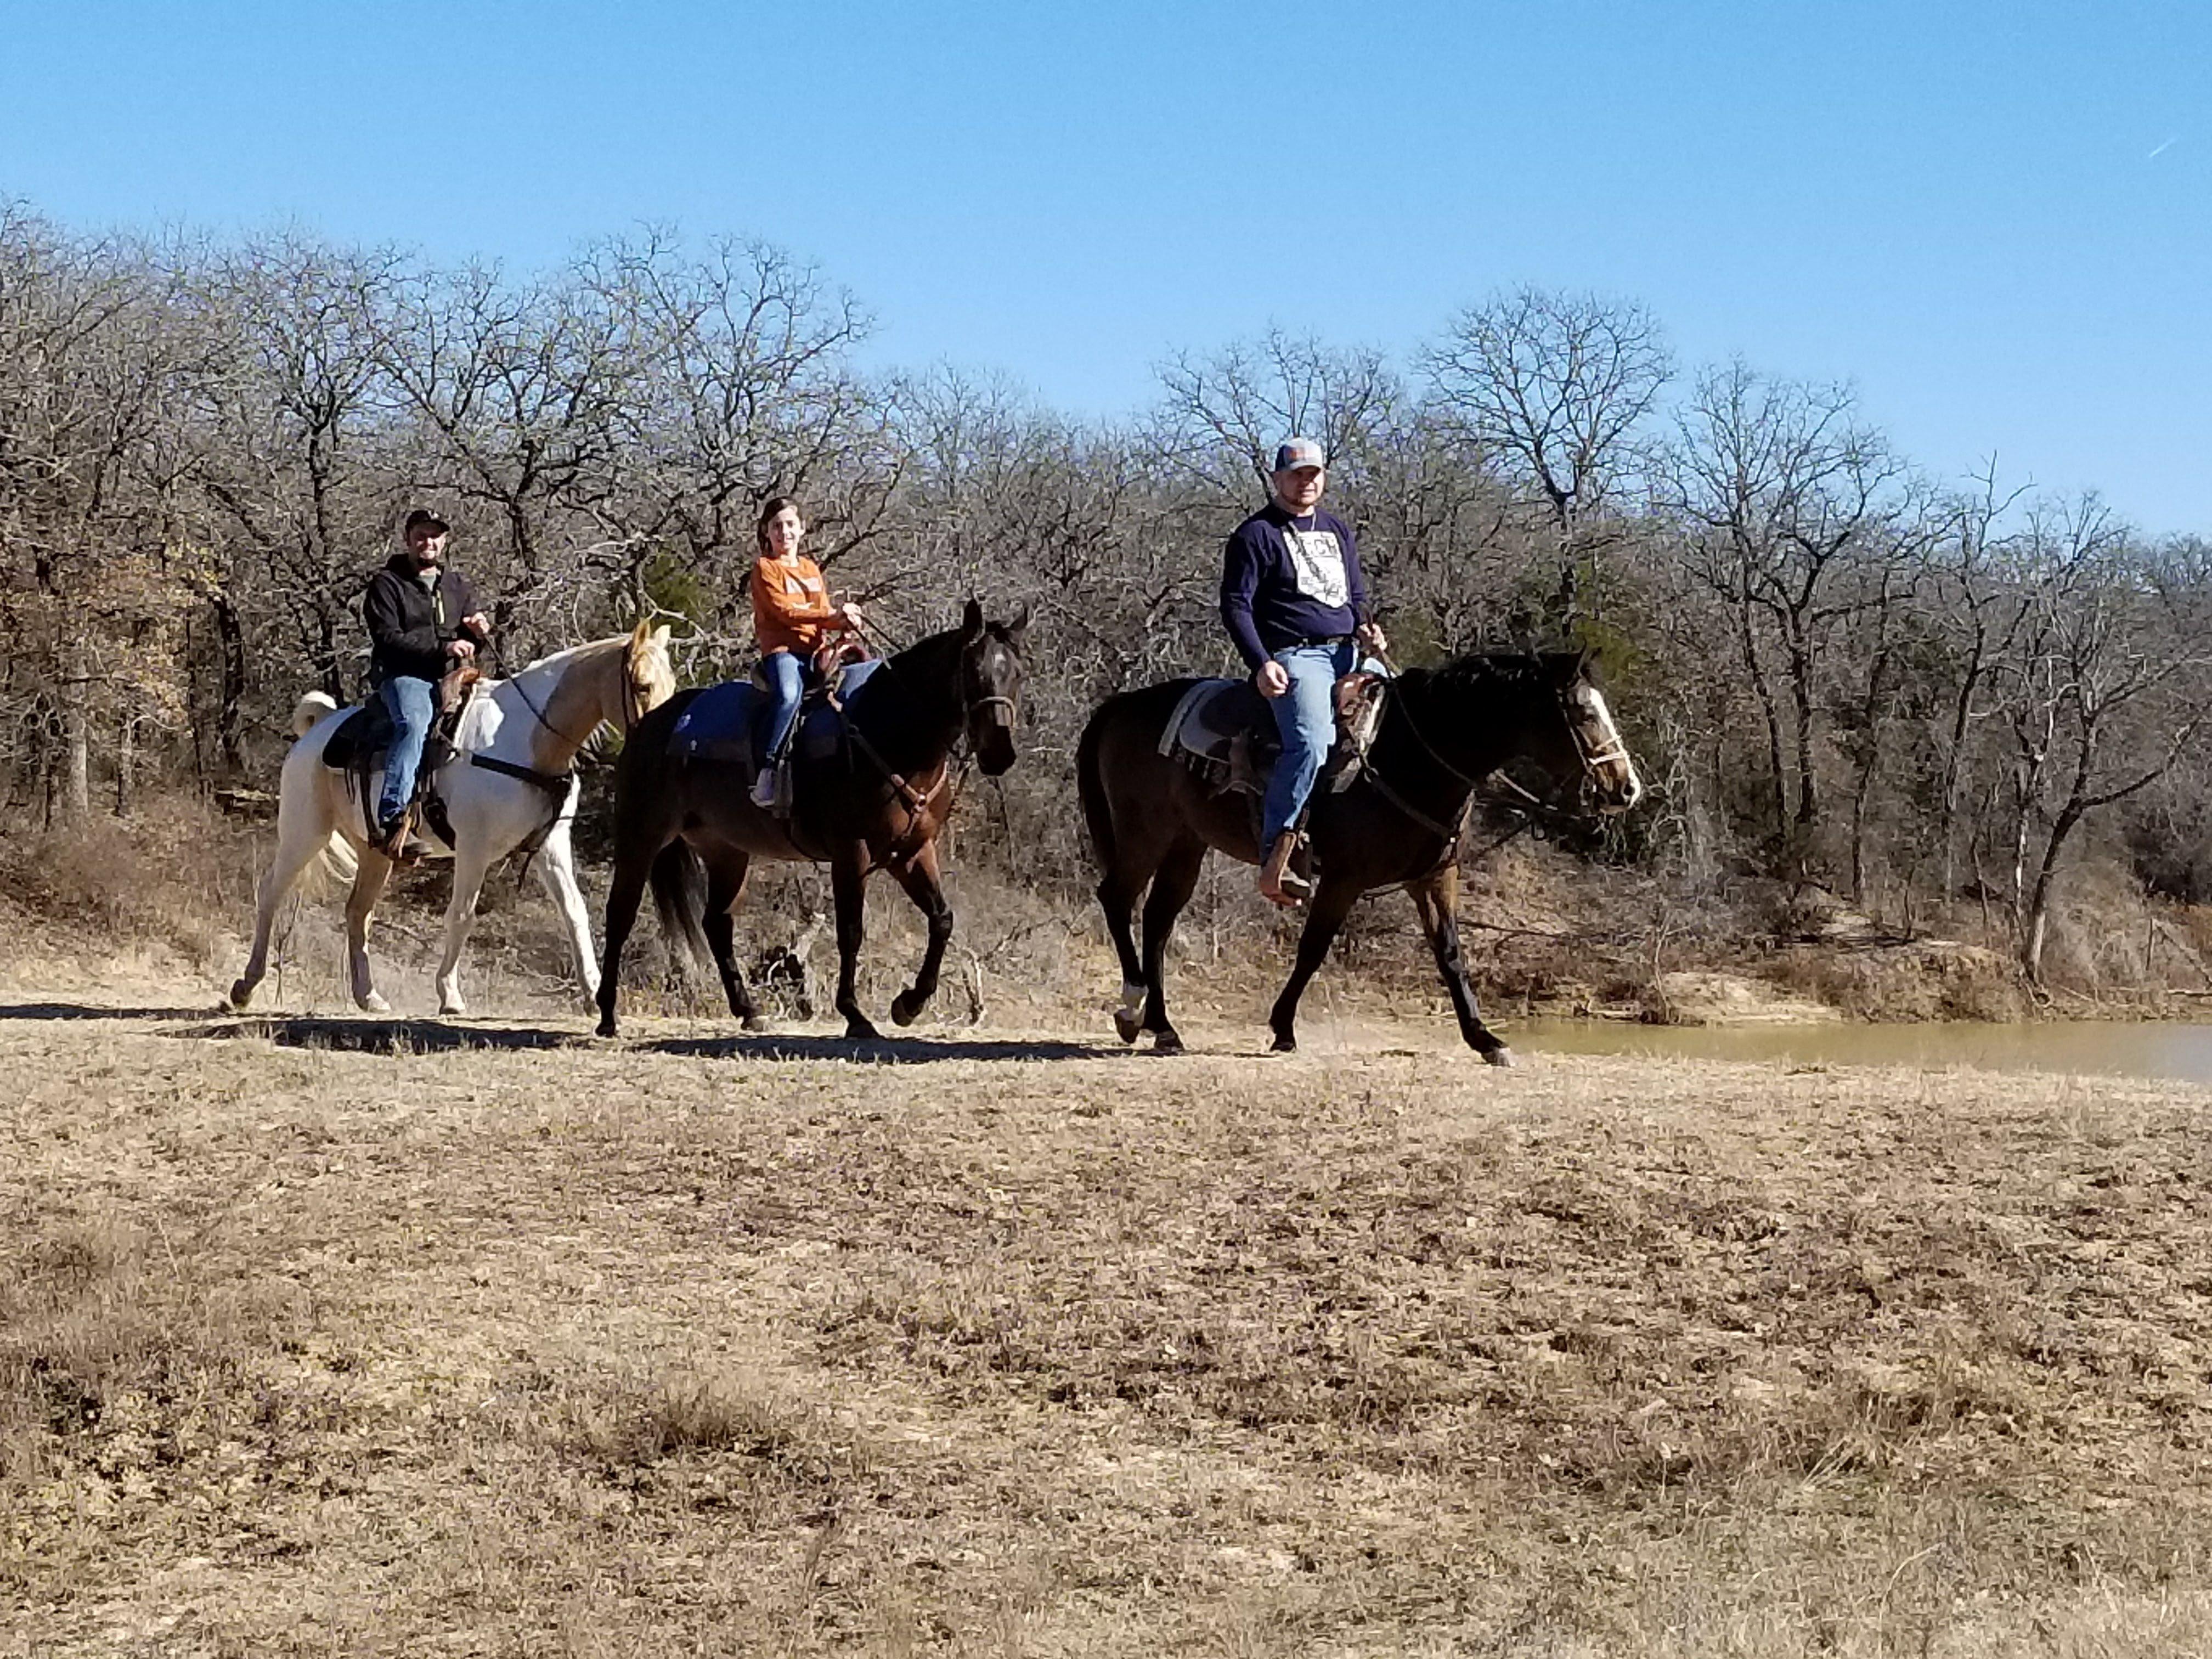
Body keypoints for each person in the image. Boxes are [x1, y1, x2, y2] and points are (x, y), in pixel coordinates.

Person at [1220, 438, 1389, 906]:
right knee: (1311, 743)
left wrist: (1368, 630)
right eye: (1297, 474)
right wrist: (1262, 663)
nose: (1306, 481)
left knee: (1412, 715)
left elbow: (1355, 596)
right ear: (1278, 478)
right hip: (1297, 656)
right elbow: (1236, 605)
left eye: (1314, 473)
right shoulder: (1256, 535)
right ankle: (1280, 852)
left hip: (1349, 653)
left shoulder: (1337, 530)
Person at [363, 509, 490, 856]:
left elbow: (469, 637)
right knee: (414, 723)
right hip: (405, 674)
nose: (428, 542)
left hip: (454, 675)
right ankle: (392, 818)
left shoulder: (457, 585)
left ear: (444, 540)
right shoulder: (387, 584)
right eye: (421, 535)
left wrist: (478, 633)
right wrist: (443, 647)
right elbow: (387, 637)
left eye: (435, 535)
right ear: (408, 539)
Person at [749, 496, 864, 809]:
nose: (784, 532)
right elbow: (785, 612)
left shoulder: (811, 569)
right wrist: (830, 616)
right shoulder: (765, 569)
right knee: (788, 695)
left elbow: (822, 610)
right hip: (783, 651)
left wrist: (844, 620)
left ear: (801, 530)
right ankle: (769, 771)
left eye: (789, 525)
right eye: (776, 526)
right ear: (767, 531)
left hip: (817, 650)